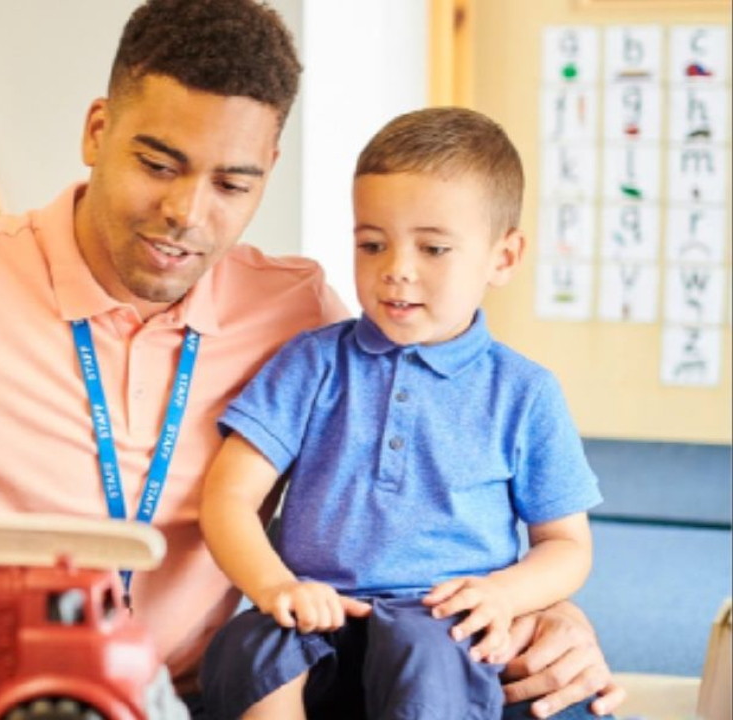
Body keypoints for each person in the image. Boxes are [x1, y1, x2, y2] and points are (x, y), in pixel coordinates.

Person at [0, 1, 625, 716]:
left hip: (208, 696)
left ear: (267, 172)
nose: (187, 213)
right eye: (158, 162)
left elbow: (423, 475)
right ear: (97, 131)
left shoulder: (298, 311)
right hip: (13, 697)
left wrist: (546, 610)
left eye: (232, 183)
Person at [199, 107, 602, 720]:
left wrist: (503, 594)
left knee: (429, 653)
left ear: (503, 257)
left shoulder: (525, 393)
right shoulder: (311, 362)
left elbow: (566, 545)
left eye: (434, 248)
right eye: (372, 244)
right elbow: (228, 497)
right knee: (249, 647)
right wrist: (276, 585)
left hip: (438, 623)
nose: (396, 269)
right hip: (317, 614)